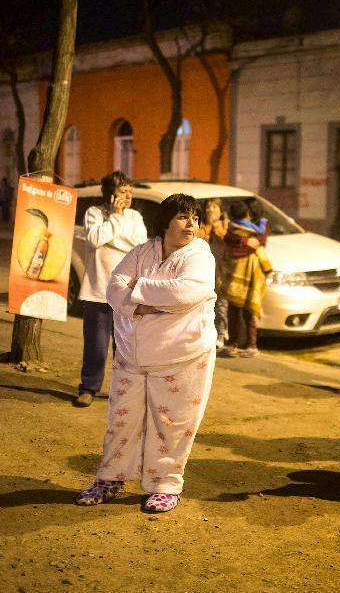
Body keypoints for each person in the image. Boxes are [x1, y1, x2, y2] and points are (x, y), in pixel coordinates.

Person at [76, 193, 217, 513]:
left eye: (195, 218)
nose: (191, 224)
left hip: (182, 356)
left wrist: (138, 292)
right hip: (132, 355)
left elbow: (189, 291)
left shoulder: (200, 256)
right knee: (121, 420)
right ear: (165, 221)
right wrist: (155, 302)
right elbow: (114, 289)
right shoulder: (142, 252)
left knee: (172, 423)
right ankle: (110, 478)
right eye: (183, 217)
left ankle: (165, 484)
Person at [74, 171, 147, 408]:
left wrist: (112, 237)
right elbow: (95, 239)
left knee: (124, 345)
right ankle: (88, 387)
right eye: (123, 191)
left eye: (130, 191)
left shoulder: (135, 216)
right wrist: (115, 219)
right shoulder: (94, 213)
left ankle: (122, 390)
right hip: (97, 290)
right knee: (95, 345)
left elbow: (139, 247)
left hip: (125, 292)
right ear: (110, 194)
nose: (128, 196)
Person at [219, 201, 271, 358]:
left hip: (242, 275)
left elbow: (231, 241)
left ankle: (241, 344)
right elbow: (255, 243)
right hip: (246, 275)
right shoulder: (252, 232)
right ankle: (245, 344)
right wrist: (246, 242)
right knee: (243, 310)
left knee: (242, 310)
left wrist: (245, 242)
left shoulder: (235, 230)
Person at [197, 198, 229, 349]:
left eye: (214, 207)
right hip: (203, 272)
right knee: (204, 305)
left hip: (221, 272)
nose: (210, 210)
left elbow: (228, 241)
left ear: (221, 211)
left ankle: (221, 334)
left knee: (221, 305)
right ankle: (206, 334)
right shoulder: (201, 227)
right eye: (208, 207)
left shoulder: (226, 226)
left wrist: (218, 229)